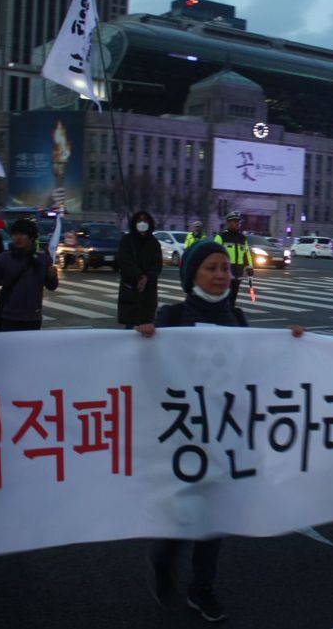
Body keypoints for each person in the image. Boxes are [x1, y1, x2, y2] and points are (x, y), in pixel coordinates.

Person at [135, 241, 303, 622]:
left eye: (225, 268)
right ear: (192, 275)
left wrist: (290, 346)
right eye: (210, 268)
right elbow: (149, 372)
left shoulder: (238, 319)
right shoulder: (172, 317)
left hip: (226, 433)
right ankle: (162, 559)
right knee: (182, 514)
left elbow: (256, 369)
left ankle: (202, 589)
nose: (220, 275)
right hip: (182, 434)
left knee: (214, 517)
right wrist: (143, 341)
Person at [0, 218, 58, 331]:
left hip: (33, 318)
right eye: (15, 234)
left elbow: (52, 286)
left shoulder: (43, 260)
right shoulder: (4, 258)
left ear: (31, 238)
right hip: (8, 317)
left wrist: (52, 275)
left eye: (22, 234)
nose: (17, 238)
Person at [117, 211, 162, 327]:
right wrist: (138, 276)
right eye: (139, 220)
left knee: (147, 326)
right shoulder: (127, 240)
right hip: (130, 289)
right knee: (131, 328)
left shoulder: (154, 243)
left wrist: (147, 278)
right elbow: (124, 262)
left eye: (145, 221)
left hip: (148, 292)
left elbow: (157, 265)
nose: (142, 223)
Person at [213, 211, 253, 307]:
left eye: (238, 222)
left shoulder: (242, 238)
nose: (237, 224)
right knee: (225, 296)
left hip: (238, 272)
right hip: (225, 272)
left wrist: (249, 267)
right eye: (235, 222)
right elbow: (214, 253)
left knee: (233, 296)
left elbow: (247, 253)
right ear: (228, 223)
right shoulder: (221, 236)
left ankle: (229, 311)